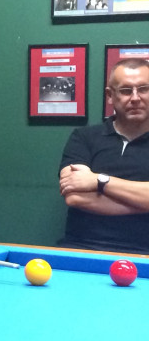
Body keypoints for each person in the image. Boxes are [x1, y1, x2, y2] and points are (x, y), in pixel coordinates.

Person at [58, 57, 149, 253]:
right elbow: (74, 196)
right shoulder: (83, 137)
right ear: (110, 96)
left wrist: (99, 180)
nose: (135, 98)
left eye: (144, 89)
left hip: (144, 254)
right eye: (126, 90)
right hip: (81, 249)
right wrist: (143, 201)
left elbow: (87, 186)